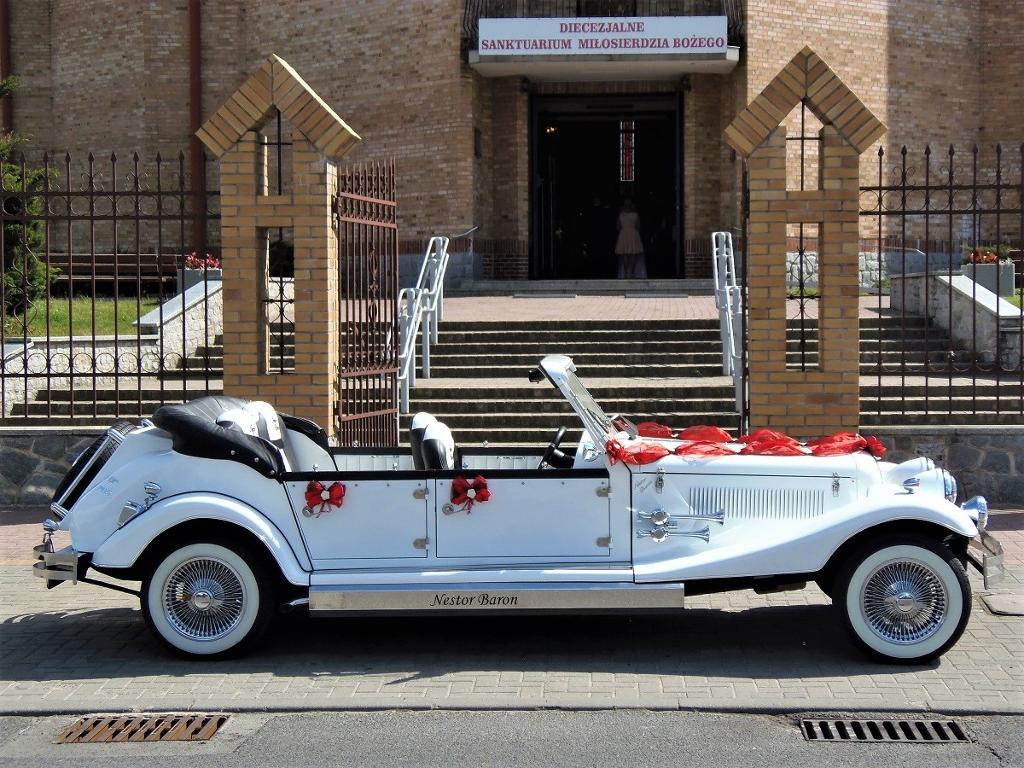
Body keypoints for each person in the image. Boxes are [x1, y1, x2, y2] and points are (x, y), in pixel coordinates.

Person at [615, 199, 647, 279]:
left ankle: (626, 273)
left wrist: (624, 228)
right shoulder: (635, 214)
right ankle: (632, 273)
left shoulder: (621, 214)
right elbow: (638, 226)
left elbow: (617, 227)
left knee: (625, 255)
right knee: (633, 254)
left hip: (624, 234)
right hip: (633, 234)